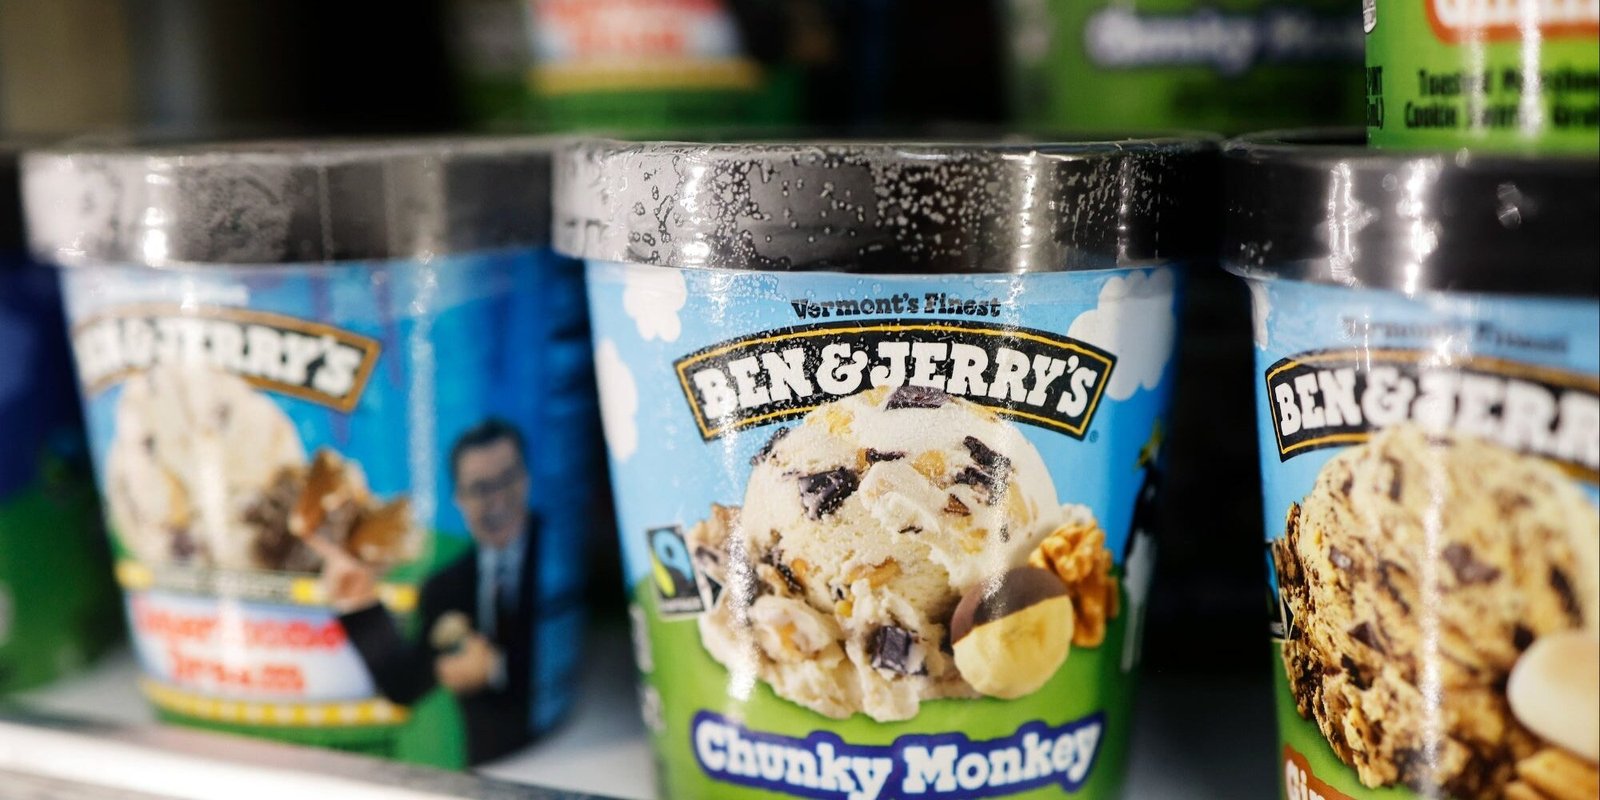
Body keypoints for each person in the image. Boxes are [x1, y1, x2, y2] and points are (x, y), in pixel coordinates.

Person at [316, 419, 540, 765]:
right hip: (485, 765)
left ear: (526, 479)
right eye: (480, 489)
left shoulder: (555, 554)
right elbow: (404, 685)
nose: (497, 499)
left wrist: (497, 668)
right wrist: (358, 602)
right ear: (460, 499)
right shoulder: (446, 584)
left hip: (552, 749)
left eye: (507, 479)